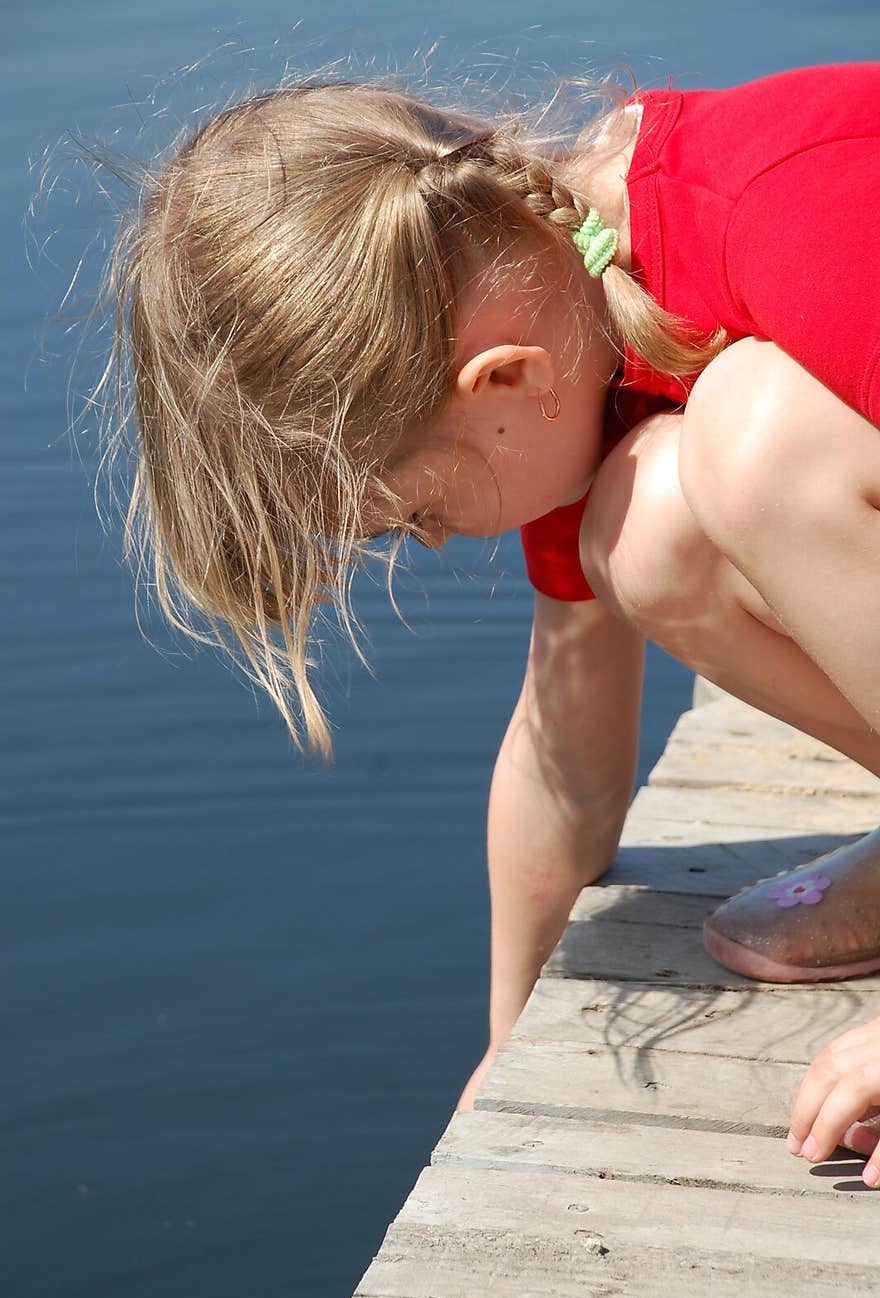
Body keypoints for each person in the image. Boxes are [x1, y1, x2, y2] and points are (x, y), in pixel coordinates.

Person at [92, 60, 880, 1181]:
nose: (431, 542)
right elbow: (563, 759)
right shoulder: (588, 335)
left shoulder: (784, 214)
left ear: (502, 381)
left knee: (754, 446)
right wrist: (506, 1042)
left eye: (414, 511)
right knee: (644, 529)